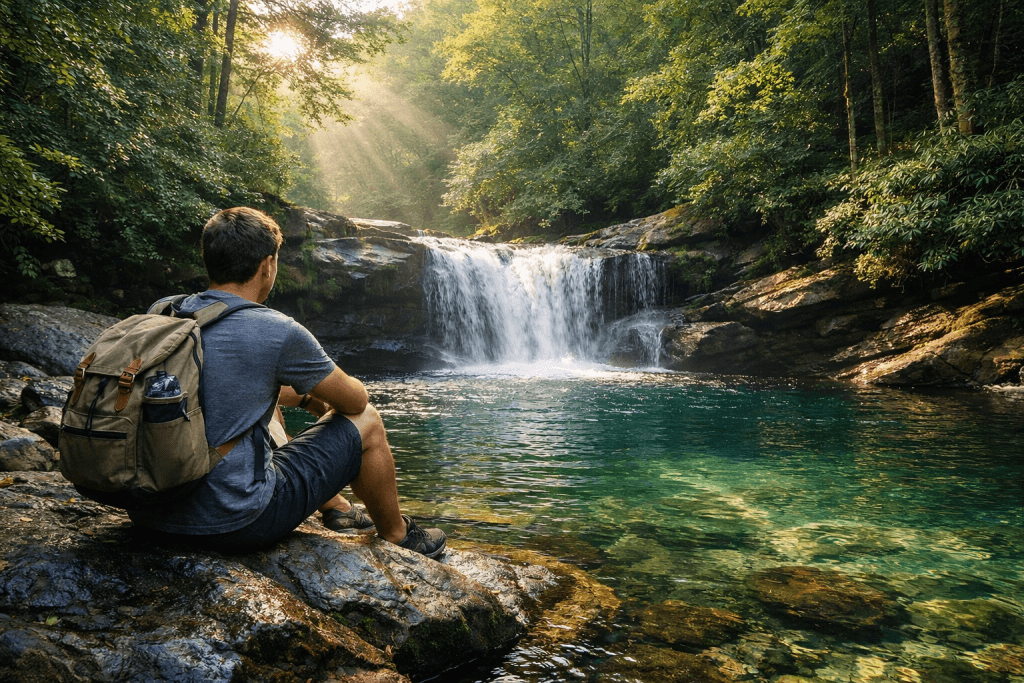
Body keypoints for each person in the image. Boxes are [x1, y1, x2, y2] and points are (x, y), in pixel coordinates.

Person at [128, 206, 446, 557]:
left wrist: (304, 398)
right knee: (367, 420)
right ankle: (398, 536)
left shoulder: (164, 312)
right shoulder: (276, 329)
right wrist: (324, 393)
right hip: (236, 521)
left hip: (148, 510)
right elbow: (355, 402)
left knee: (269, 408)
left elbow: (211, 389)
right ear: (267, 266)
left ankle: (338, 508)